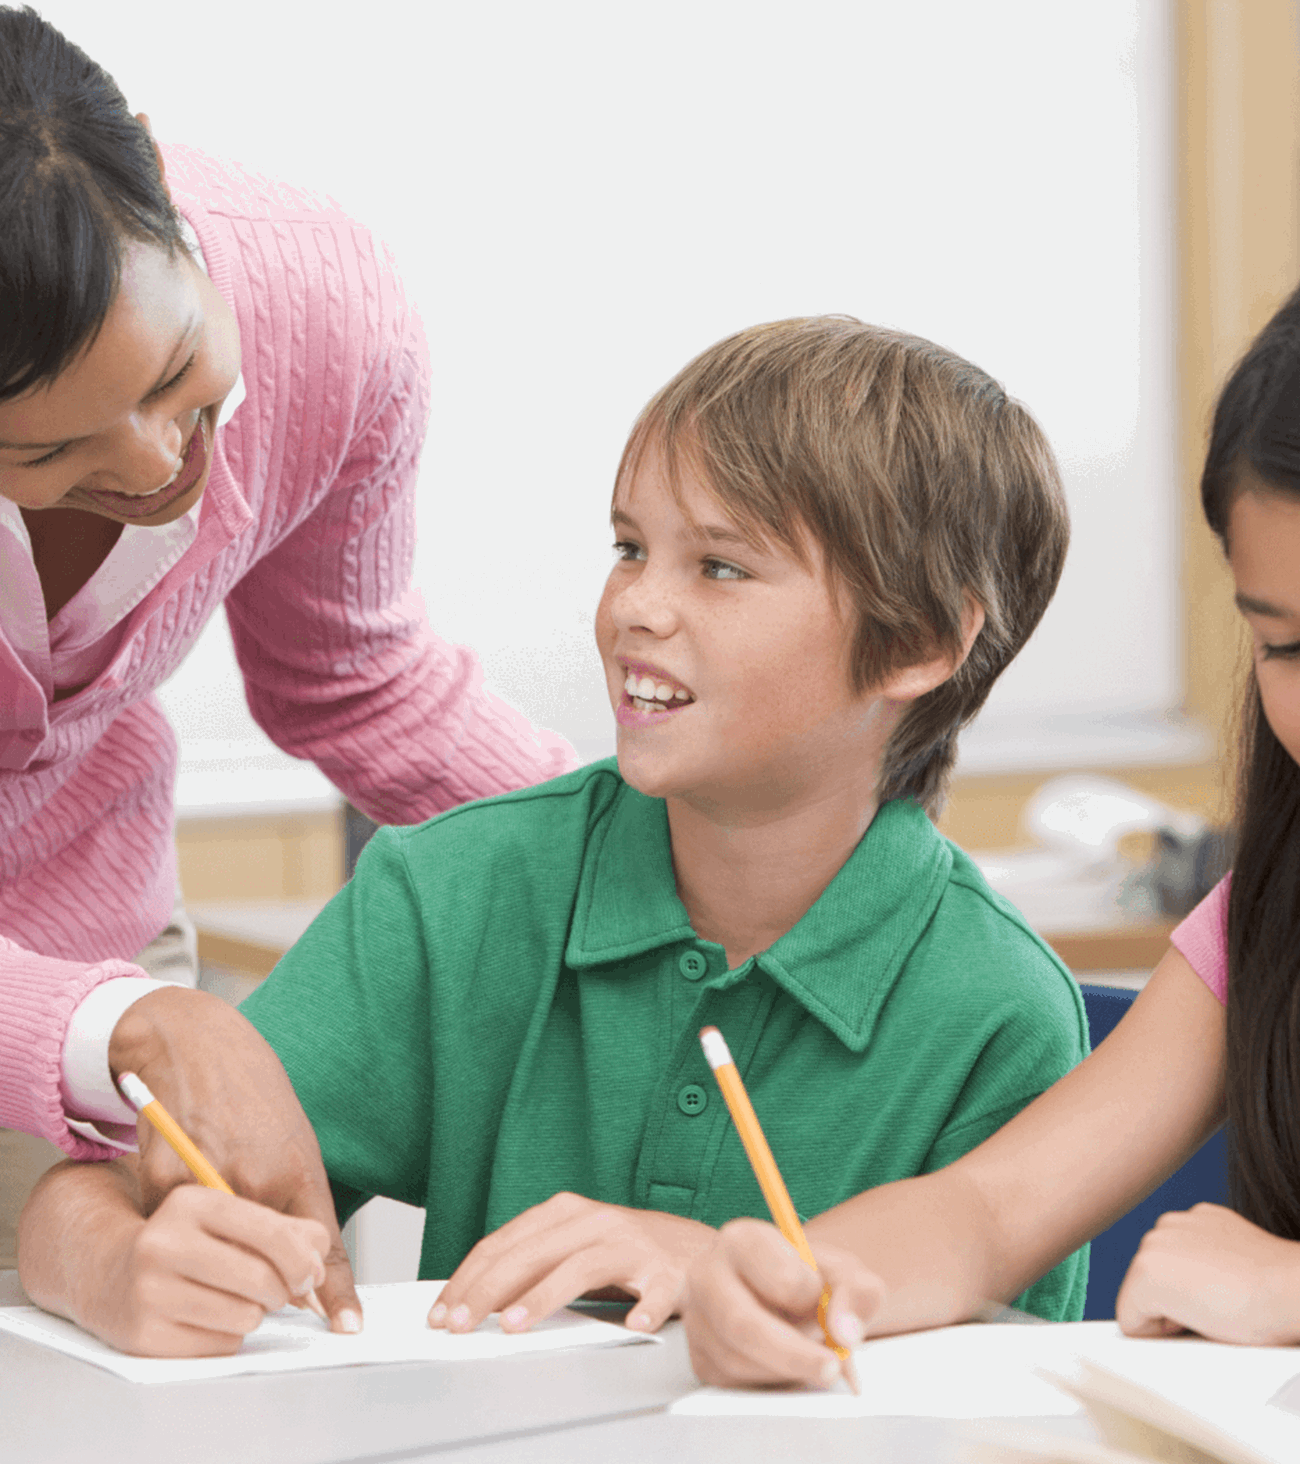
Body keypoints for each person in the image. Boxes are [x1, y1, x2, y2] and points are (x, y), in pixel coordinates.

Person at [19, 314, 1091, 1357]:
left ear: (918, 642)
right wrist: (120, 1267)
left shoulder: (999, 1010)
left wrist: (714, 1265)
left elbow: (994, 1408)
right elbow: (94, 1196)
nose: (635, 608)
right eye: (630, 548)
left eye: (720, 567)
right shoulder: (454, 894)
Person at [680, 235, 1300, 1388]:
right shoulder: (1282, 913)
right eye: (1285, 644)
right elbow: (992, 1207)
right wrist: (803, 1278)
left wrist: (1296, 1287)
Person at [0, 3, 574, 1306]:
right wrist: (115, 1028)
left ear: (145, 166)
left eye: (177, 371)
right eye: (47, 459)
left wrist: (623, 841)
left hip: (101, 971)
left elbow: (358, 679)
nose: (158, 465)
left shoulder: (327, 307)